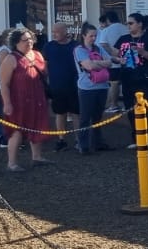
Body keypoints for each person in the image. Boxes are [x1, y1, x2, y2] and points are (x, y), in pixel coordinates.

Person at [0, 28, 52, 171]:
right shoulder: (11, 59)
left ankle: (37, 157)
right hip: (18, 101)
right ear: (16, 42)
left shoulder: (37, 55)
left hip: (37, 98)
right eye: (24, 40)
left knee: (38, 127)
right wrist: (7, 103)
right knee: (17, 130)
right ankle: (12, 163)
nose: (29, 42)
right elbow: (4, 83)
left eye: (30, 39)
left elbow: (44, 73)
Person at [115, 13, 148, 148]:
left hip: (146, 78)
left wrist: (143, 52)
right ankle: (136, 137)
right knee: (130, 108)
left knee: (147, 107)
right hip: (127, 77)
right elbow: (115, 54)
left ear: (140, 24)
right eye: (127, 23)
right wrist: (116, 58)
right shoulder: (123, 39)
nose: (128, 26)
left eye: (131, 23)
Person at [73, 24, 116, 155]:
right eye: (91, 36)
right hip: (87, 87)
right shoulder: (79, 49)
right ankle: (83, 145)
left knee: (97, 117)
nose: (93, 38)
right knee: (85, 117)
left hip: (101, 85)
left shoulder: (98, 48)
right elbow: (89, 66)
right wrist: (100, 63)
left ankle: (97, 143)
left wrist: (96, 63)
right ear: (84, 35)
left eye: (95, 36)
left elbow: (108, 62)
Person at [41, 22, 80, 151]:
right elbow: (44, 65)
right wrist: (46, 80)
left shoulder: (75, 46)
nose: (54, 34)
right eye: (53, 31)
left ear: (65, 31)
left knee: (76, 113)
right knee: (60, 113)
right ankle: (61, 139)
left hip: (75, 85)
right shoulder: (49, 46)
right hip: (57, 85)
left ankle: (78, 139)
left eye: (57, 31)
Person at [98, 11, 129, 113]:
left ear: (108, 20)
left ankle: (113, 105)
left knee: (113, 83)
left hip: (112, 61)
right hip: (128, 60)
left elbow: (103, 44)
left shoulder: (106, 30)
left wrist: (113, 54)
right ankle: (127, 104)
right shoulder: (125, 28)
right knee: (125, 83)